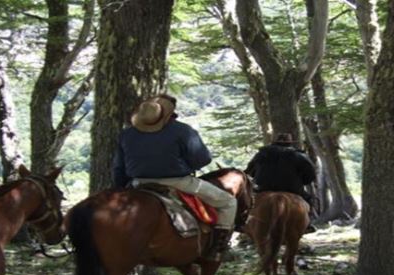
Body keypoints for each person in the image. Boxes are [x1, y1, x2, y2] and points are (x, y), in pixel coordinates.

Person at [113, 94, 236, 259]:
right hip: (179, 182)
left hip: (138, 183)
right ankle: (217, 248)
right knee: (228, 202)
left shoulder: (126, 134)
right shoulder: (183, 130)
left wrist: (120, 188)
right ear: (169, 113)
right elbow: (203, 159)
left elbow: (118, 167)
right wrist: (185, 166)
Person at [245, 133, 317, 232]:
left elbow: (250, 171)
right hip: (292, 189)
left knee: (248, 204)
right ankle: (307, 224)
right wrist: (302, 181)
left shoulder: (261, 154)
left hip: (264, 187)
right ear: (290, 143)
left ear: (274, 143)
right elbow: (310, 175)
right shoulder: (299, 155)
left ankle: (243, 223)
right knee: (308, 200)